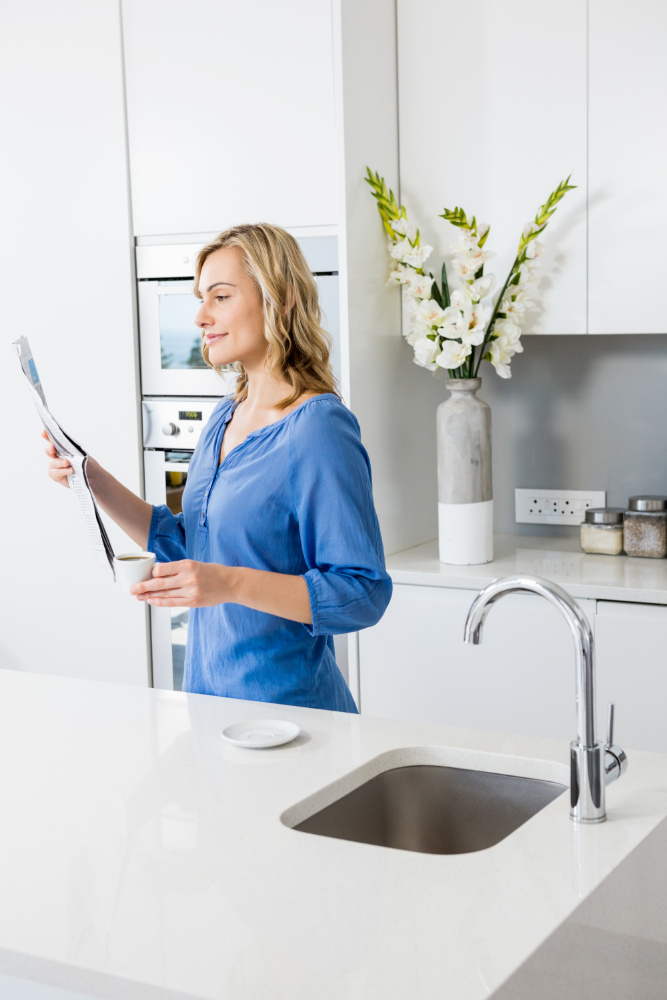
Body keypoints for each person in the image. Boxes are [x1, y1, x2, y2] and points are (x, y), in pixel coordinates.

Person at [44, 223, 392, 712]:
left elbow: (362, 593)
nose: (202, 315)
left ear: (282, 298)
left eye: (221, 297)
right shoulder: (224, 418)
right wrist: (91, 478)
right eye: (201, 298)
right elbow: (192, 544)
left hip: (293, 718)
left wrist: (227, 582)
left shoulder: (318, 428)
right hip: (210, 708)